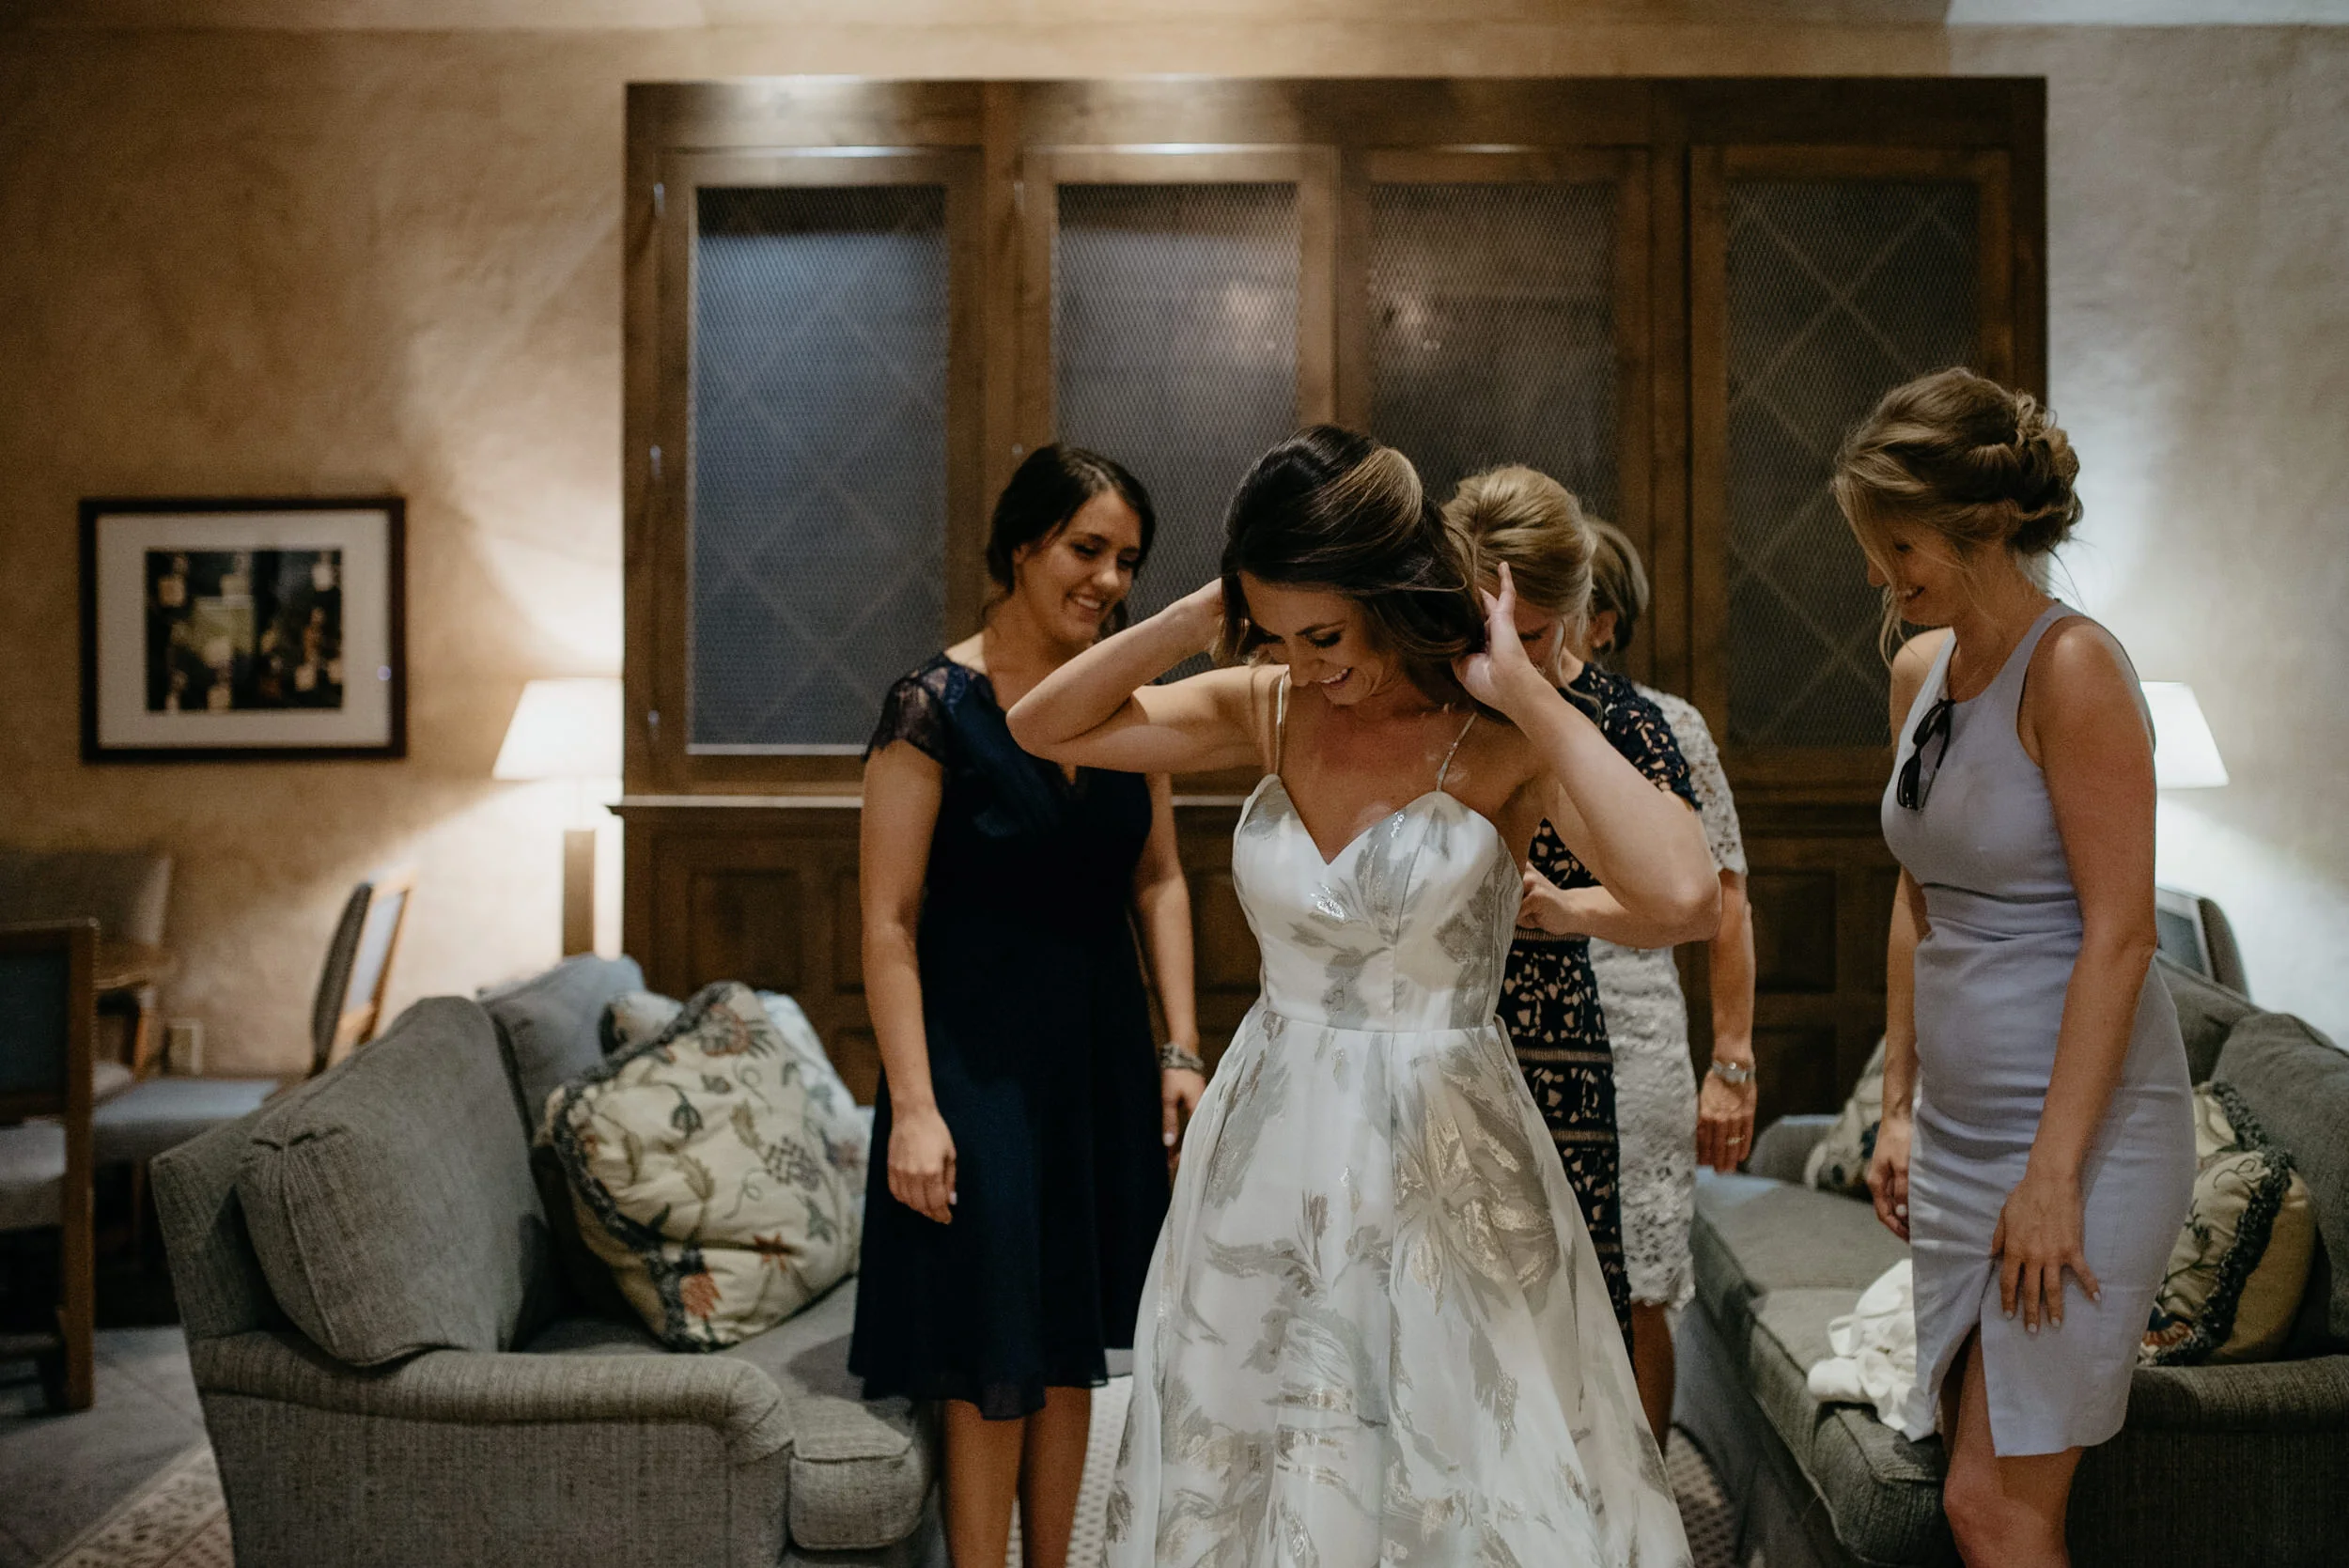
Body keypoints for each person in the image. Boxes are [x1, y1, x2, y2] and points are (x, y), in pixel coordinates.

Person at [1007, 427, 1713, 1565]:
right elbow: (1042, 722)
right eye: (1277, 633)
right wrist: (1204, 616)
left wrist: (1528, 694)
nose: (1306, 660)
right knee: (1256, 1436)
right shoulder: (1273, 702)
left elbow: (1684, 896)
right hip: (1271, 1133)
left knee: (1457, 1451)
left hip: (1445, 1136)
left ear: (1391, 590)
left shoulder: (1495, 738)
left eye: (1324, 632)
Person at [1843, 369, 2194, 1568]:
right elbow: (1916, 899)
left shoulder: (2076, 669)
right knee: (1970, 1479)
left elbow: (2122, 934)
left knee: (1994, 1508)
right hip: (1957, 1133)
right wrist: (1899, 1103)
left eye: (1900, 545)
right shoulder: (1919, 675)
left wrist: (2051, 1176)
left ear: (1984, 526)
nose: (1885, 577)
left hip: (2082, 1144)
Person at [848, 444, 1206, 1568]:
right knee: (992, 1355)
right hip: (968, 1061)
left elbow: (1160, 879)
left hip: (1093, 1060)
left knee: (1066, 1348)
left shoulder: (1127, 703)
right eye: (1085, 549)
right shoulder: (933, 705)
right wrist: (914, 1105)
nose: (1108, 580)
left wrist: (1181, 1046)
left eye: (1128, 561)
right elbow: (887, 923)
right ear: (1022, 546)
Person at [1455, 486, 1759, 1440]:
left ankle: (1640, 1497)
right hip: (1479, 1024)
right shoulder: (1449, 707)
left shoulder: (1647, 723)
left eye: (1539, 632)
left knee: (1629, 1282)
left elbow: (1714, 897)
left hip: (1623, 1020)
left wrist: (1732, 1059)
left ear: (1586, 613)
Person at [1439, 468, 1701, 1350]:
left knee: (1565, 1325)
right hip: (1428, 1039)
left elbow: (1691, 904)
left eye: (1532, 633)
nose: (1499, 650)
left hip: (1558, 1035)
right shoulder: (1427, 704)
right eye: (1478, 629)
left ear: (1586, 607)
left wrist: (1533, 700)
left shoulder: (1621, 719)